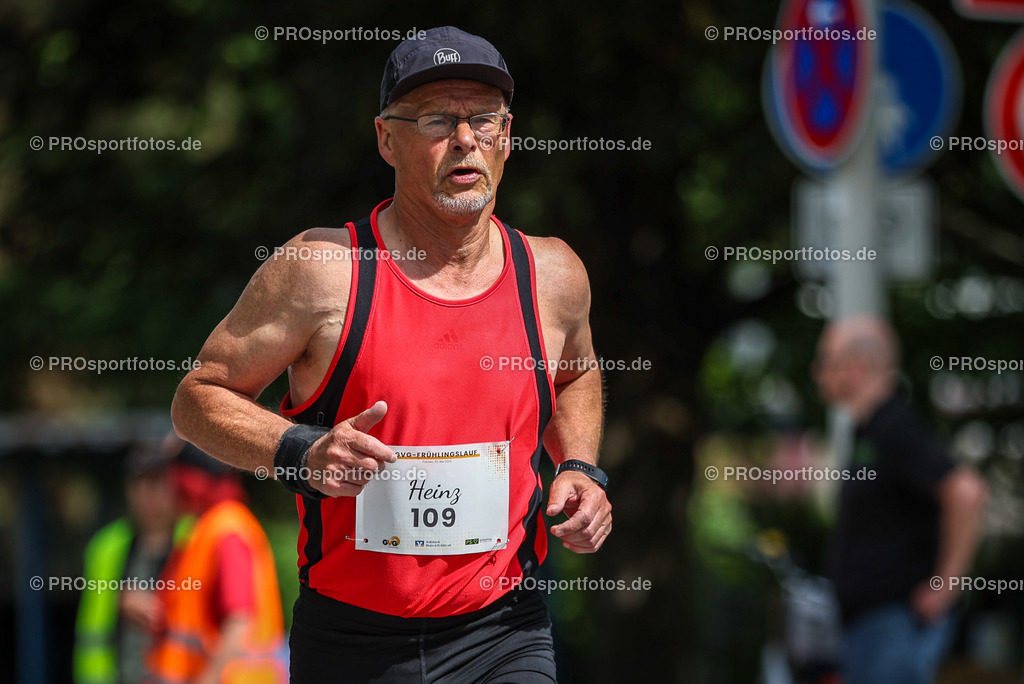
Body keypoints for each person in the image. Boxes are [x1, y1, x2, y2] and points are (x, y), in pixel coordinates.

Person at [171, 25, 611, 683]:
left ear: (508, 136)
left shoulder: (551, 275)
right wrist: (299, 451)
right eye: (437, 119)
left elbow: (576, 372)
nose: (465, 139)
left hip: (504, 631)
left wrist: (580, 465)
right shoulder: (326, 271)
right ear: (386, 139)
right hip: (352, 640)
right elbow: (198, 398)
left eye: (483, 120)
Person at [813, 315, 987, 684]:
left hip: (892, 626)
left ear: (857, 366)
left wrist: (945, 587)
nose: (818, 372)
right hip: (874, 628)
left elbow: (966, 491)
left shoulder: (894, 428)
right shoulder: (870, 434)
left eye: (826, 360)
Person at [145, 437, 287, 684]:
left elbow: (239, 621)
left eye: (169, 479)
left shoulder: (226, 529)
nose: (165, 490)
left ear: (187, 483)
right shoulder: (205, 528)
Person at [74, 444, 182, 684]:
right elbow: (91, 623)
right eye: (140, 483)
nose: (147, 494)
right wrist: (119, 600)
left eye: (157, 482)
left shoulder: (197, 538)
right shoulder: (105, 546)